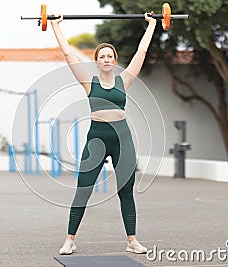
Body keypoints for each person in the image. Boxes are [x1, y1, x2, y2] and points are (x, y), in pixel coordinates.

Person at [51, 12, 157, 255]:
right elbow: (68, 55)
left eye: (110, 56)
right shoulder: (89, 82)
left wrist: (152, 24)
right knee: (83, 190)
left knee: (126, 191)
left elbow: (141, 53)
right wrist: (56, 26)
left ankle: (132, 241)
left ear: (115, 60)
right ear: (97, 61)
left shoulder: (124, 80)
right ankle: (69, 240)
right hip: (96, 139)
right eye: (102, 57)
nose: (107, 60)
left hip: (123, 139)